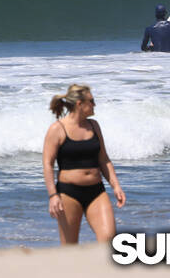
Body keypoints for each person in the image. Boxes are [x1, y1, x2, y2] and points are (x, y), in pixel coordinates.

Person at [42, 84, 125, 244]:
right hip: (68, 193)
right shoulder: (57, 129)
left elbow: (104, 159)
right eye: (91, 101)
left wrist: (116, 186)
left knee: (109, 240)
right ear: (80, 103)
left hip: (96, 191)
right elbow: (47, 164)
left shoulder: (94, 126)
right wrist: (53, 196)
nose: (94, 105)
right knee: (70, 248)